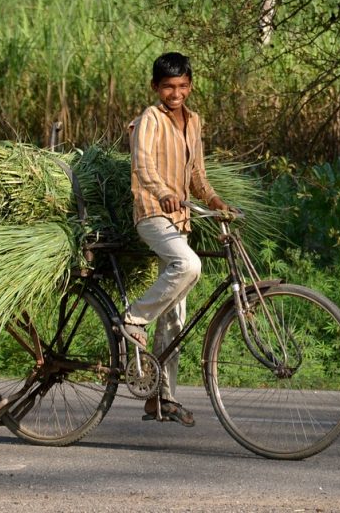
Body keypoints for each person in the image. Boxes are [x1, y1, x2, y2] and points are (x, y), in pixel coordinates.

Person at [123, 51, 229, 427]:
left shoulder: (194, 122)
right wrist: (163, 191)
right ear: (156, 87)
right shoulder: (150, 119)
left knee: (175, 320)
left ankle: (161, 398)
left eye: (182, 86)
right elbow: (142, 165)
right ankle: (134, 318)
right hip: (152, 214)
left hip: (180, 221)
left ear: (190, 85)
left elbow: (197, 174)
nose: (176, 93)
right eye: (168, 86)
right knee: (189, 264)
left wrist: (215, 201)